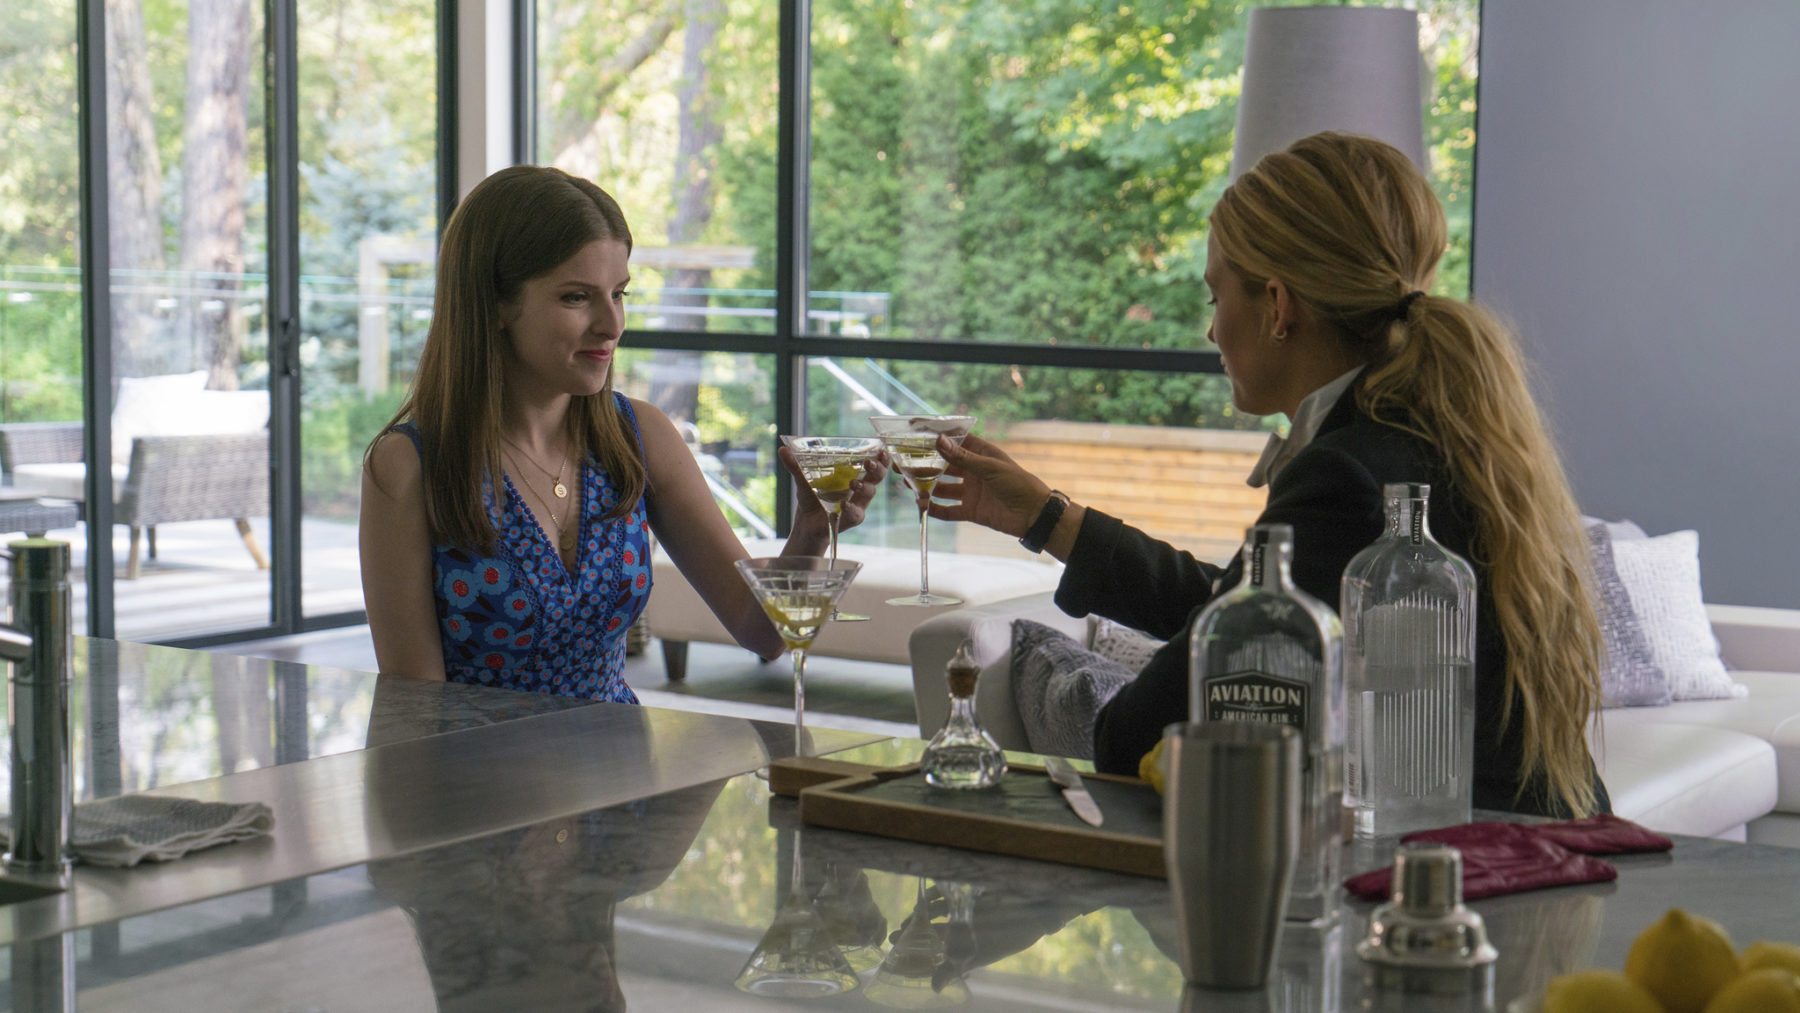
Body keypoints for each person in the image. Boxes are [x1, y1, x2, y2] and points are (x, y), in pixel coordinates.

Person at [931, 132, 1607, 818]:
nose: (1211, 332)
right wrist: (1048, 519)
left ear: (1278, 307)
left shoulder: (1345, 476)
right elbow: (1244, 609)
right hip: (1533, 841)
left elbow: (1136, 734)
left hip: (1466, 859)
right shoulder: (1429, 434)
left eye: (1214, 298)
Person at [360, 165, 883, 700]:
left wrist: (812, 530)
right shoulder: (408, 465)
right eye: (576, 297)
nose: (611, 325)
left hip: (624, 752)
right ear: (494, 303)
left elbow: (764, 632)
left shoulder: (638, 436)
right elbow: (417, 708)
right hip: (474, 758)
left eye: (619, 294)